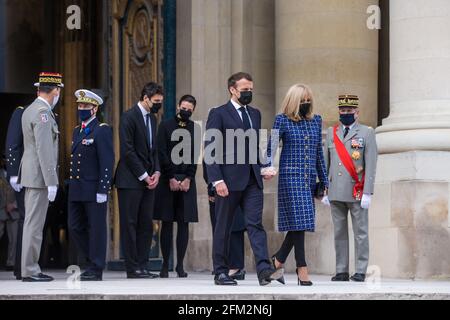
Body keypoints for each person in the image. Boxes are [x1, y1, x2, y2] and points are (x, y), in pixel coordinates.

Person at [204, 72, 284, 286]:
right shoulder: (219, 114)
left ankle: (264, 270)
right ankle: (220, 271)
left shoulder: (255, 114)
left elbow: (254, 147)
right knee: (224, 226)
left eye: (251, 89)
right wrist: (216, 181)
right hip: (227, 182)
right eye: (245, 89)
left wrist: (263, 167)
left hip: (252, 181)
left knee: (255, 224)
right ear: (232, 89)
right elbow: (210, 150)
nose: (249, 92)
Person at [263, 84, 328, 286]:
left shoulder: (316, 121)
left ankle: (278, 260)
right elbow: (271, 146)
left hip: (308, 179)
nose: (306, 104)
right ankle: (302, 268)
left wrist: (324, 180)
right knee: (301, 221)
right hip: (290, 178)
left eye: (309, 100)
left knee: (302, 222)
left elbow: (318, 153)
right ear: (294, 101)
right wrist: (266, 167)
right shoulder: (282, 120)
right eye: (302, 100)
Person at [322, 95, 378, 282]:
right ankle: (341, 270)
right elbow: (326, 162)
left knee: (360, 232)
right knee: (339, 232)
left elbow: (371, 163)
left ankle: (361, 269)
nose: (346, 114)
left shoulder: (366, 132)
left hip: (357, 190)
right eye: (343, 111)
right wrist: (324, 187)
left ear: (357, 112)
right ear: (339, 111)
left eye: (349, 111)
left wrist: (368, 191)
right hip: (336, 191)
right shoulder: (332, 132)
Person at [114, 82, 163, 279]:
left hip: (149, 180)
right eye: (156, 102)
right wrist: (144, 175)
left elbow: (154, 149)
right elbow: (127, 151)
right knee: (130, 224)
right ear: (145, 98)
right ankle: (132, 267)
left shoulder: (152, 119)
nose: (158, 105)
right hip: (130, 181)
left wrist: (157, 172)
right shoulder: (128, 117)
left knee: (146, 224)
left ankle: (143, 265)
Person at [19, 72, 63, 282]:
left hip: (32, 176)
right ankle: (30, 270)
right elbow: (44, 150)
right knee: (35, 226)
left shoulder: (30, 109)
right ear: (55, 91)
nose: (58, 95)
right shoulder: (43, 113)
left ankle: (29, 268)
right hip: (39, 178)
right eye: (58, 91)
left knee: (32, 224)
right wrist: (51, 182)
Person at [67, 89, 114, 281]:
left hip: (94, 189)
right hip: (77, 189)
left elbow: (107, 160)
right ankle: (89, 260)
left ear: (95, 109)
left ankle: (96, 267)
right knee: (74, 226)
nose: (82, 109)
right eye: (79, 106)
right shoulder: (76, 131)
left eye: (85, 106)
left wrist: (104, 188)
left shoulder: (102, 129)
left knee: (96, 229)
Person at [155, 95, 200, 278]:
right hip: (168, 181)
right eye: (183, 107)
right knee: (166, 223)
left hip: (187, 180)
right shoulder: (165, 126)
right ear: (178, 106)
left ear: (193, 110)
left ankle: (180, 266)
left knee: (184, 223)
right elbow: (162, 152)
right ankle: (165, 265)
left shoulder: (195, 128)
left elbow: (195, 155)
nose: (186, 111)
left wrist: (188, 178)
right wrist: (171, 177)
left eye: (189, 109)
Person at [203, 160, 247, 280]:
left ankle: (235, 266)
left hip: (234, 185)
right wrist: (211, 188)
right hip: (221, 186)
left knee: (234, 225)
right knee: (223, 227)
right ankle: (228, 266)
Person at [5, 103, 29, 280]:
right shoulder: (22, 111)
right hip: (24, 175)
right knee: (25, 219)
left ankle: (27, 265)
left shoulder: (50, 115)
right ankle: (21, 267)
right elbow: (13, 143)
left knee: (31, 222)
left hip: (37, 177)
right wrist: (14, 173)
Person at [0, 156, 19, 271]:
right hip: (1, 210)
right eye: (4, 159)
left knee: (14, 239)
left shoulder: (18, 173)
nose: (6, 161)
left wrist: (14, 205)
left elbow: (23, 191)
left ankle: (11, 262)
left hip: (14, 211)